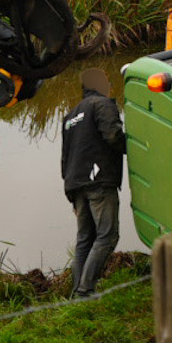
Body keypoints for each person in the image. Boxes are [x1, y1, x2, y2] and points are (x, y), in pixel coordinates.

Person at [61, 67, 125, 298]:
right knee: (107, 236)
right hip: (98, 180)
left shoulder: (70, 116)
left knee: (84, 239)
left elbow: (65, 157)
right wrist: (138, 148)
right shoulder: (103, 104)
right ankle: (85, 290)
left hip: (75, 183)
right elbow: (113, 136)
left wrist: (70, 194)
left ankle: (77, 292)